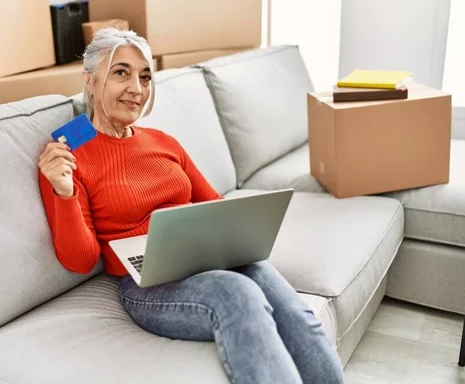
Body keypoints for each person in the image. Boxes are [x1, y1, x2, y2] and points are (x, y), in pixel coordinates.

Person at [38, 28, 344, 384]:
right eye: (121, 72)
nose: (136, 88)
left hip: (202, 258)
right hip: (146, 283)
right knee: (237, 293)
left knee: (283, 297)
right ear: (89, 81)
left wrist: (242, 235)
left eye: (145, 76)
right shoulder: (66, 154)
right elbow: (80, 259)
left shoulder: (162, 141)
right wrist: (64, 192)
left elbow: (213, 204)